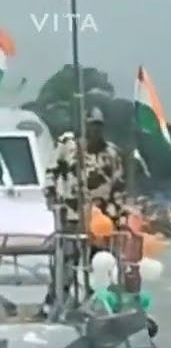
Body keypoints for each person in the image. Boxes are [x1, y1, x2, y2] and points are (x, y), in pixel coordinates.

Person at [42, 107, 128, 310]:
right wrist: (52, 197)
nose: (95, 130)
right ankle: (56, 301)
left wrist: (119, 214)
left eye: (98, 126)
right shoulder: (69, 148)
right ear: (85, 126)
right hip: (73, 214)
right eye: (91, 125)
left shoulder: (111, 153)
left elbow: (118, 186)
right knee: (67, 260)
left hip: (100, 217)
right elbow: (51, 173)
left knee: (100, 260)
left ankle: (99, 300)